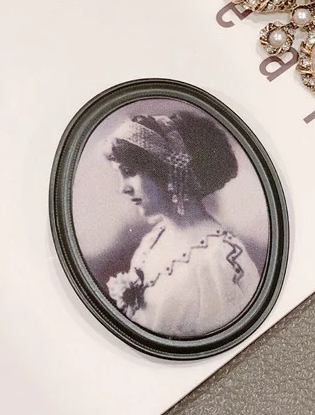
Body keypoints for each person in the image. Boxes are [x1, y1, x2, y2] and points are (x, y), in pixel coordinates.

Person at [103, 111, 260, 338]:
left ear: (166, 171)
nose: (123, 188)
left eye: (129, 172)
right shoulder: (152, 241)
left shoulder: (219, 259)